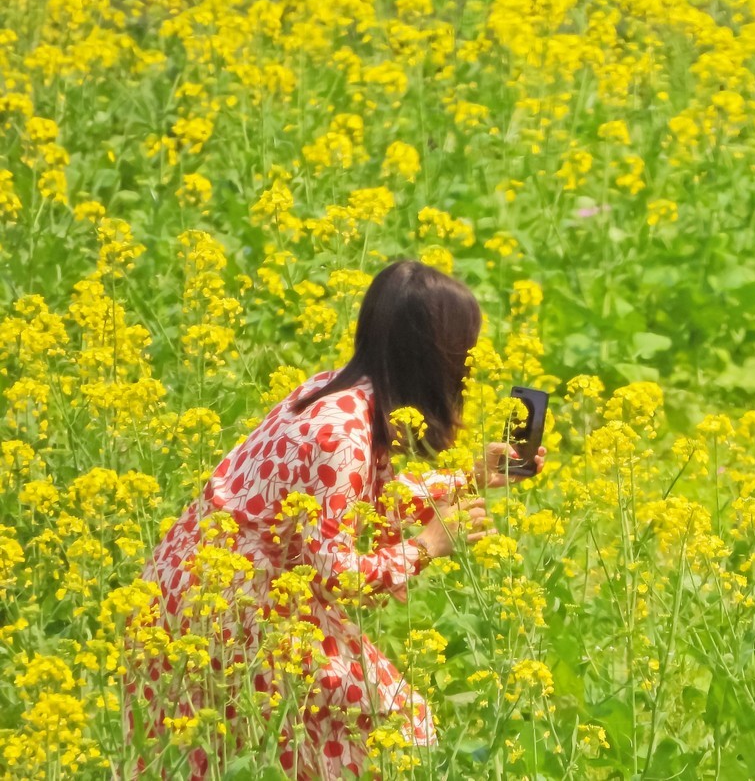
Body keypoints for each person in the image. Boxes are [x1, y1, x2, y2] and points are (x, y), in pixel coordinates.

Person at [122, 260, 546, 780]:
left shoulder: (336, 391)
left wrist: (470, 479)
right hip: (234, 605)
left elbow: (363, 500)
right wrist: (428, 546)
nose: (471, 368)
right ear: (435, 355)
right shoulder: (339, 436)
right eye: (467, 351)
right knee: (396, 728)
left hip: (193, 587)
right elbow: (340, 576)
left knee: (244, 750)